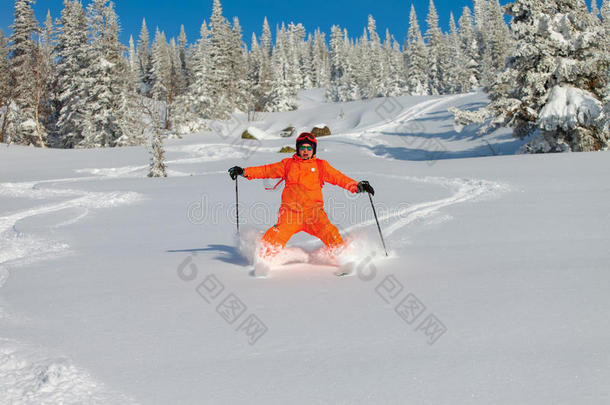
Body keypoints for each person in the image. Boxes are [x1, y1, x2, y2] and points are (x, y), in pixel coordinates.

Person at [228, 132, 374, 263]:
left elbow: (338, 178)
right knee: (275, 237)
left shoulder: (320, 166)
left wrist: (357, 186)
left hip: (314, 214)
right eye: (302, 148)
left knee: (331, 233)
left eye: (309, 148)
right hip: (291, 215)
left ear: (314, 150)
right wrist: (244, 172)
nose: (305, 151)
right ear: (297, 149)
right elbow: (266, 170)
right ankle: (262, 260)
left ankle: (345, 259)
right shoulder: (288, 165)